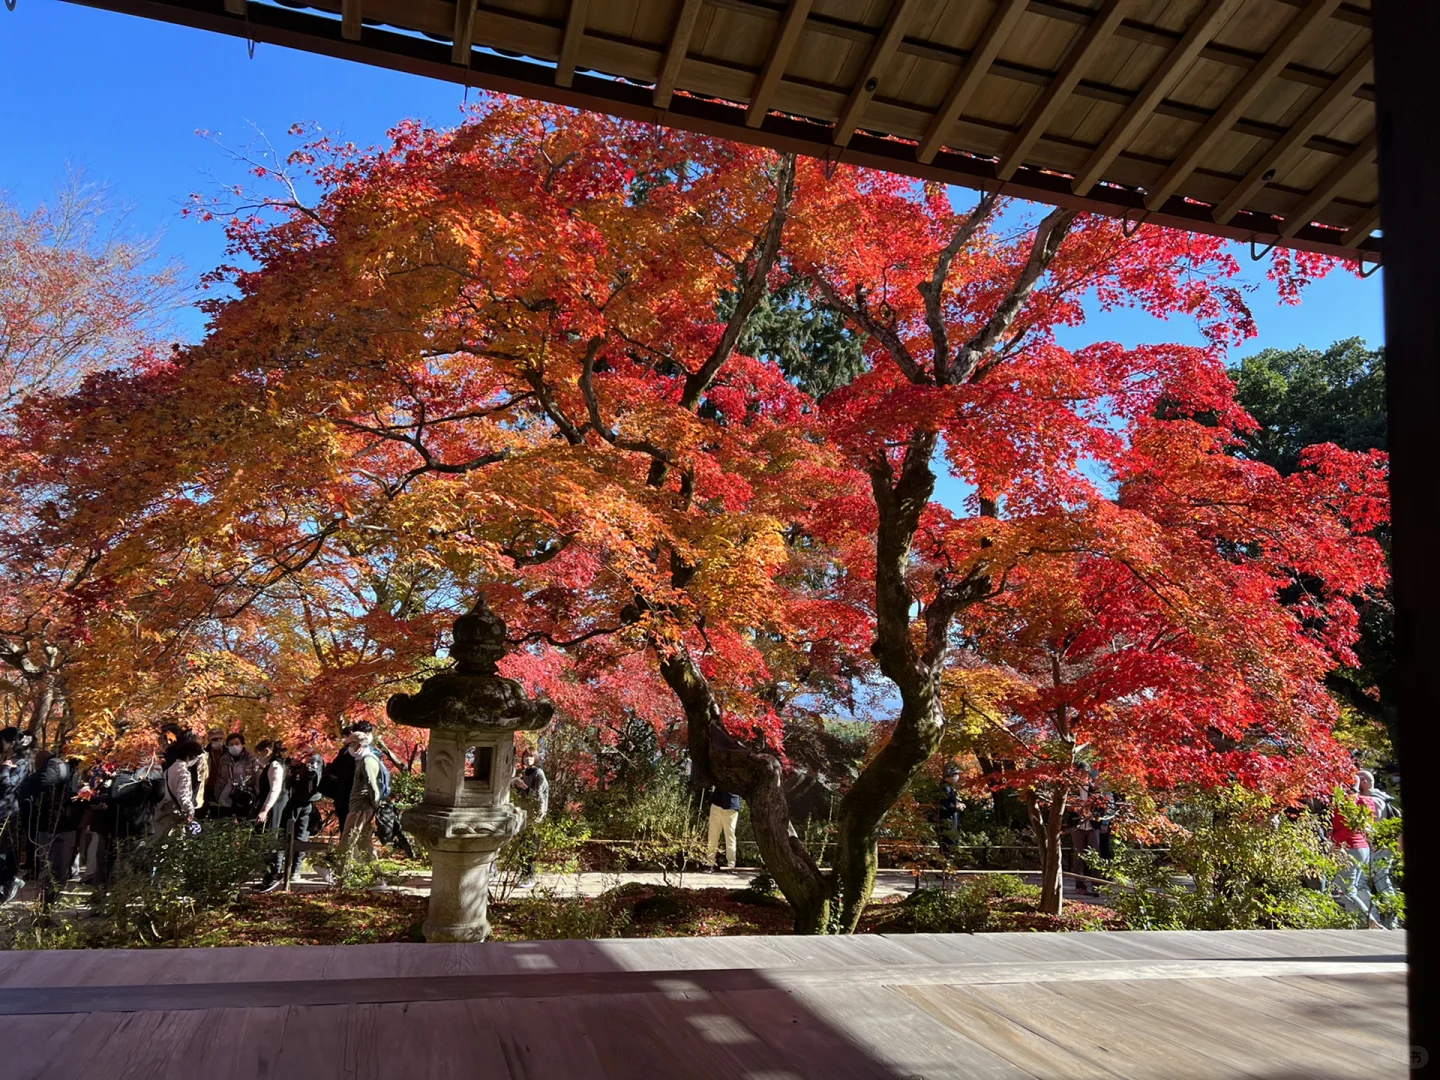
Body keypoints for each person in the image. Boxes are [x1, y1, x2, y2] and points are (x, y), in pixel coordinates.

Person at [1330, 771, 1384, 928]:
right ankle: (1358, 922)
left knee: (1344, 891)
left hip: (1350, 848)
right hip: (1363, 848)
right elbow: (1363, 826)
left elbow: (1348, 828)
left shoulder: (1347, 802)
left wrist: (1333, 839)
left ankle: (1370, 922)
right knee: (1352, 889)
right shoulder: (1366, 801)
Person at [1358, 769, 1401, 930]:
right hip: (1383, 848)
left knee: (1375, 882)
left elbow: (1369, 827)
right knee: (1381, 881)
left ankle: (1379, 920)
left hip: (1378, 848)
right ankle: (1387, 920)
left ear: (1365, 782)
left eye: (1357, 780)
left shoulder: (1374, 801)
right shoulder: (1382, 798)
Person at [341, 727, 384, 863]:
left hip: (361, 805)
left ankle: (337, 867)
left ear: (358, 744)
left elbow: (372, 785)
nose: (348, 747)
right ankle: (375, 874)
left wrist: (374, 804)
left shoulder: (367, 760)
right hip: (360, 804)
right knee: (364, 840)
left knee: (349, 836)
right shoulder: (361, 759)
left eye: (350, 744)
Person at [252, 740, 289, 892]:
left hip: (275, 806)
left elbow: (275, 789)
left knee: (271, 838)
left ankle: (273, 874)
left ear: (266, 751)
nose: (258, 756)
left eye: (259, 753)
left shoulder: (275, 765)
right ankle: (267, 875)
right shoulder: (274, 764)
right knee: (268, 839)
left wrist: (265, 809)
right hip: (274, 805)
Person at [282, 748, 325, 877]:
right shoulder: (291, 759)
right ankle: (286, 869)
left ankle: (294, 869)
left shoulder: (312, 759)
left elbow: (312, 780)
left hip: (303, 802)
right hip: (290, 800)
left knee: (301, 835)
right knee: (286, 834)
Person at [511, 748, 550, 887]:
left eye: (531, 757)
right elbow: (519, 795)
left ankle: (530, 877)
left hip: (535, 814)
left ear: (536, 758)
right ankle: (523, 875)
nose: (528, 759)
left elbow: (538, 795)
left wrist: (524, 787)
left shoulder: (538, 773)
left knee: (530, 845)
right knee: (522, 845)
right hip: (523, 813)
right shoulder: (523, 773)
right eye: (526, 757)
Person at [0, 727, 30, 903]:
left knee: (5, 850)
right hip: (2, 811)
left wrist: (4, 770)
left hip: (9, 813)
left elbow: (9, 787)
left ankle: (9, 885)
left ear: (11, 743)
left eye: (3, 740)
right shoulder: (7, 759)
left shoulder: (21, 762)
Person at [154, 738, 205, 838]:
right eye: (195, 757)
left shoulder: (169, 770)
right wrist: (190, 812)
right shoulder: (184, 773)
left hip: (162, 811)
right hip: (174, 814)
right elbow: (183, 796)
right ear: (189, 756)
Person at [211, 732, 256, 819]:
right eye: (231, 744)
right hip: (225, 795)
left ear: (242, 744)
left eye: (237, 743)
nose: (234, 746)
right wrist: (217, 795)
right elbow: (219, 777)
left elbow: (254, 778)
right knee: (224, 822)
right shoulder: (224, 759)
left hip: (243, 796)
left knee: (242, 822)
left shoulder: (250, 758)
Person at [705, 785, 741, 874]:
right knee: (712, 835)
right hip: (716, 804)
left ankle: (731, 865)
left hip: (731, 806)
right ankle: (709, 864)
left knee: (730, 836)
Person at [935, 765, 965, 863]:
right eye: (956, 774)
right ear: (950, 775)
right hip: (947, 822)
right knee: (948, 845)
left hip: (949, 821)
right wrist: (956, 807)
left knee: (948, 846)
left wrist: (957, 804)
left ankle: (946, 869)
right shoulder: (945, 788)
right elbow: (945, 804)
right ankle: (944, 869)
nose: (957, 777)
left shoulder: (947, 788)